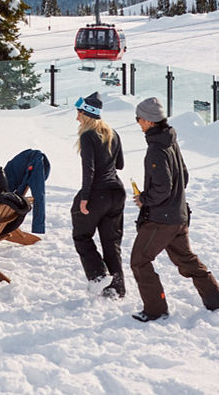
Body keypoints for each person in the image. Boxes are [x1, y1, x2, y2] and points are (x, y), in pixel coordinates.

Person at [129, 97, 219, 322]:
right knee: (187, 260)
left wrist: (144, 199)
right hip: (178, 216)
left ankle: (155, 310)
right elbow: (183, 177)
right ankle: (217, 301)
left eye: (139, 119)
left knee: (140, 260)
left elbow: (163, 188)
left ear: (150, 121)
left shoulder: (156, 148)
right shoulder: (170, 141)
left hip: (161, 220)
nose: (138, 123)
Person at [71, 92, 126, 298]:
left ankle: (98, 275)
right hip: (117, 193)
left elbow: (89, 170)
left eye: (78, 112)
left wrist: (85, 198)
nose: (76, 117)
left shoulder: (87, 136)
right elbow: (120, 164)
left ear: (85, 113)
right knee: (111, 242)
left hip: (97, 193)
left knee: (81, 235)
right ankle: (116, 289)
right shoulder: (113, 133)